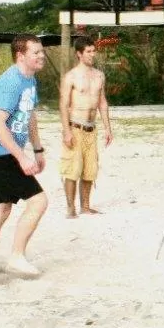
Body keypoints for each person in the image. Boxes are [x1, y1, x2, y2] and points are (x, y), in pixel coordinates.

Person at [0, 34, 49, 280]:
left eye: (42, 51)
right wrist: (21, 157)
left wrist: (37, 149)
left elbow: (30, 115)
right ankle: (16, 257)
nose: (42, 56)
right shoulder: (11, 83)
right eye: (36, 52)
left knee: (1, 209)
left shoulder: (30, 79)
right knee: (38, 201)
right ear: (20, 55)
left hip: (4, 154)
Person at [58, 35, 113, 218]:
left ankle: (86, 206)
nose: (92, 54)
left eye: (93, 51)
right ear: (79, 54)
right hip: (75, 127)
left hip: (91, 129)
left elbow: (102, 103)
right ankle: (70, 208)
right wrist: (66, 132)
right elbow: (63, 105)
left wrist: (108, 129)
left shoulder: (99, 75)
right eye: (88, 51)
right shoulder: (71, 77)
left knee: (90, 168)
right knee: (72, 169)